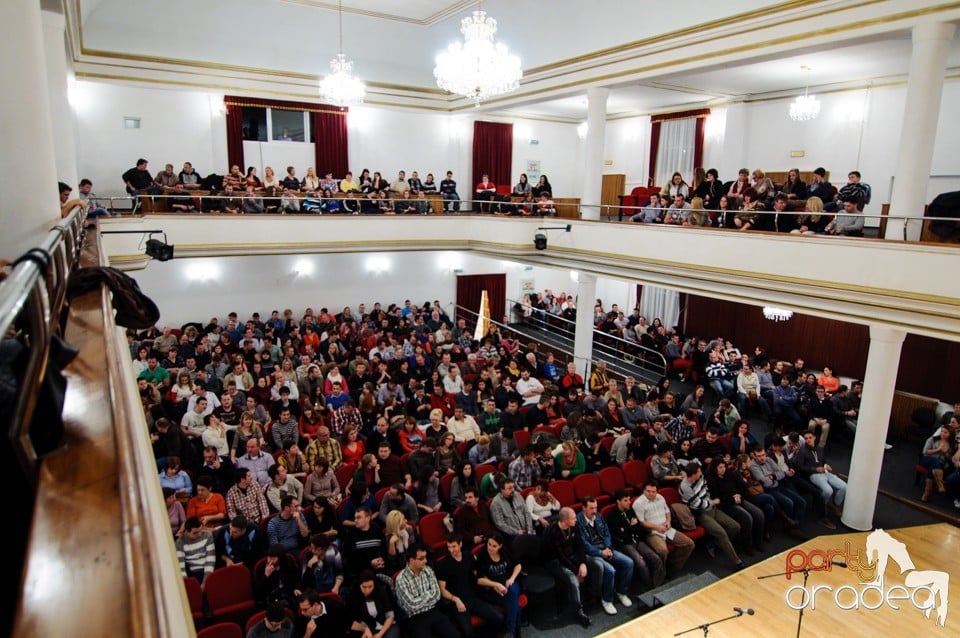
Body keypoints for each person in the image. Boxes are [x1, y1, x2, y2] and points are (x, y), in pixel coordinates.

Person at [679, 461, 744, 570]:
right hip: (701, 513)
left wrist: (712, 502)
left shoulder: (700, 477)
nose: (701, 472)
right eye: (699, 471)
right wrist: (713, 502)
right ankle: (737, 561)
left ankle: (714, 543)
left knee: (735, 527)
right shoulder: (685, 487)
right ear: (693, 474)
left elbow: (706, 490)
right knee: (721, 533)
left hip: (712, 508)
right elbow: (698, 504)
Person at [436, 533, 502, 637]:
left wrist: (494, 585)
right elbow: (442, 589)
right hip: (457, 601)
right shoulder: (442, 564)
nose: (451, 550)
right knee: (468, 632)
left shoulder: (468, 556)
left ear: (460, 544)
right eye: (449, 547)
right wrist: (456, 599)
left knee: (498, 618)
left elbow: (478, 576)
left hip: (473, 597)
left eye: (454, 546)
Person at [576, 495, 634, 614]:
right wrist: (600, 553)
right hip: (591, 554)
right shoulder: (578, 522)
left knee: (629, 562)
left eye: (596, 508)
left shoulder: (598, 516)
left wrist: (607, 548)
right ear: (584, 508)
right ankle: (607, 600)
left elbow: (607, 534)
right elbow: (584, 544)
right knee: (610, 570)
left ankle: (621, 592)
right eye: (591, 508)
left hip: (605, 548)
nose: (594, 511)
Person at [394, 545, 463, 638]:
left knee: (455, 636)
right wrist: (428, 594)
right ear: (411, 560)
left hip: (432, 611)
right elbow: (411, 606)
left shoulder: (428, 570)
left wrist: (420, 598)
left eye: (425, 557)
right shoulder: (401, 579)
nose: (426, 561)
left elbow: (437, 595)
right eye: (421, 558)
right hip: (414, 618)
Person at [542, 507, 593, 628]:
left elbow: (580, 545)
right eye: (573, 518)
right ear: (565, 520)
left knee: (595, 564)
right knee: (574, 580)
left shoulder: (573, 526)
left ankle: (591, 596)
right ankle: (578, 611)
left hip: (571, 556)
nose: (576, 519)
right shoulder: (552, 532)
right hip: (554, 561)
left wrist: (582, 563)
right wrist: (576, 571)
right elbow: (560, 557)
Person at [605, 489, 665, 589]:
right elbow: (620, 535)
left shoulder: (631, 510)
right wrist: (631, 527)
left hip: (637, 540)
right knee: (641, 563)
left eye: (629, 500)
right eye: (625, 500)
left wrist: (627, 528)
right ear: (618, 501)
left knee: (656, 558)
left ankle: (657, 585)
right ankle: (650, 587)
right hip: (625, 544)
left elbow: (637, 528)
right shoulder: (612, 515)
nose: (629, 502)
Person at [633, 480, 695, 576]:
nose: (651, 494)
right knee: (662, 551)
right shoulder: (638, 503)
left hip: (666, 528)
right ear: (644, 491)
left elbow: (667, 512)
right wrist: (657, 527)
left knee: (689, 544)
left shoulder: (660, 497)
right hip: (652, 532)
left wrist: (668, 522)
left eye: (653, 492)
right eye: (648, 491)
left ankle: (673, 565)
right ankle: (660, 571)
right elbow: (642, 522)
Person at [475, 532, 523, 638]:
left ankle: (510, 632)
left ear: (500, 546)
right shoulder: (482, 555)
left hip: (508, 582)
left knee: (513, 591)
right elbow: (480, 580)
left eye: (494, 546)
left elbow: (518, 566)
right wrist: (495, 585)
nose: (490, 548)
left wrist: (511, 579)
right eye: (489, 544)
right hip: (492, 589)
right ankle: (515, 633)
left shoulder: (505, 551)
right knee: (515, 606)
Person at [794, 430, 847, 519]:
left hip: (825, 472)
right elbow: (799, 467)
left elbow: (823, 461)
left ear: (814, 437)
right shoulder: (802, 451)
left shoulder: (819, 449)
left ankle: (836, 505)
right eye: (806, 438)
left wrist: (826, 466)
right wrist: (814, 469)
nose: (808, 440)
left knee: (844, 486)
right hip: (813, 475)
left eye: (810, 438)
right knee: (828, 491)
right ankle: (822, 505)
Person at [346, 570, 400, 638]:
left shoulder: (382, 591)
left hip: (385, 624)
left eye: (370, 586)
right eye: (364, 587)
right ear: (359, 585)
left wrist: (380, 634)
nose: (367, 590)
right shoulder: (353, 596)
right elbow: (352, 620)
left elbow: (390, 615)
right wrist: (364, 629)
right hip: (365, 627)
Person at [489, 477, 534, 541]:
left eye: (513, 487)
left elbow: (526, 512)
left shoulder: (517, 495)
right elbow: (500, 524)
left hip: (526, 530)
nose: (513, 490)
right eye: (509, 488)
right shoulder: (496, 503)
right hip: (512, 535)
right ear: (502, 490)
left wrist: (529, 528)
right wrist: (516, 532)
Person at [176, 517, 216, 585]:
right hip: (192, 573)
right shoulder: (180, 542)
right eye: (195, 533)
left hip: (208, 569)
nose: (199, 534)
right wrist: (187, 584)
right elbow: (181, 566)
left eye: (200, 530)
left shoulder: (207, 535)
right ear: (187, 532)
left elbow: (210, 559)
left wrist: (205, 582)